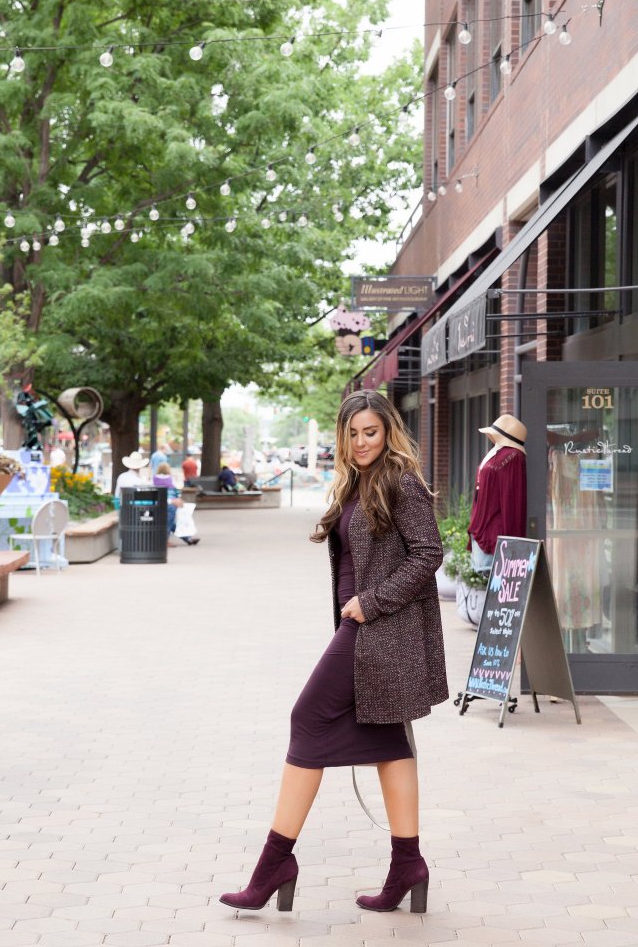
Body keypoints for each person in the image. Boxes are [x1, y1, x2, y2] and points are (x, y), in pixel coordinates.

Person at [219, 391, 448, 917]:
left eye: (371, 431)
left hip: (379, 630)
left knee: (307, 718)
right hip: (365, 632)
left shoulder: (399, 480)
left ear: (388, 430)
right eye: (353, 433)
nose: (363, 442)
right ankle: (407, 864)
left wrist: (371, 603)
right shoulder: (359, 482)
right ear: (342, 437)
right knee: (390, 742)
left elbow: (430, 553)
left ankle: (273, 865)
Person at [467, 414, 528, 570]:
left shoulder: (512, 457)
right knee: (487, 579)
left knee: (494, 580)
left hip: (495, 531)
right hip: (481, 526)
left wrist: (512, 544)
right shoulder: (496, 453)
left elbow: (512, 500)